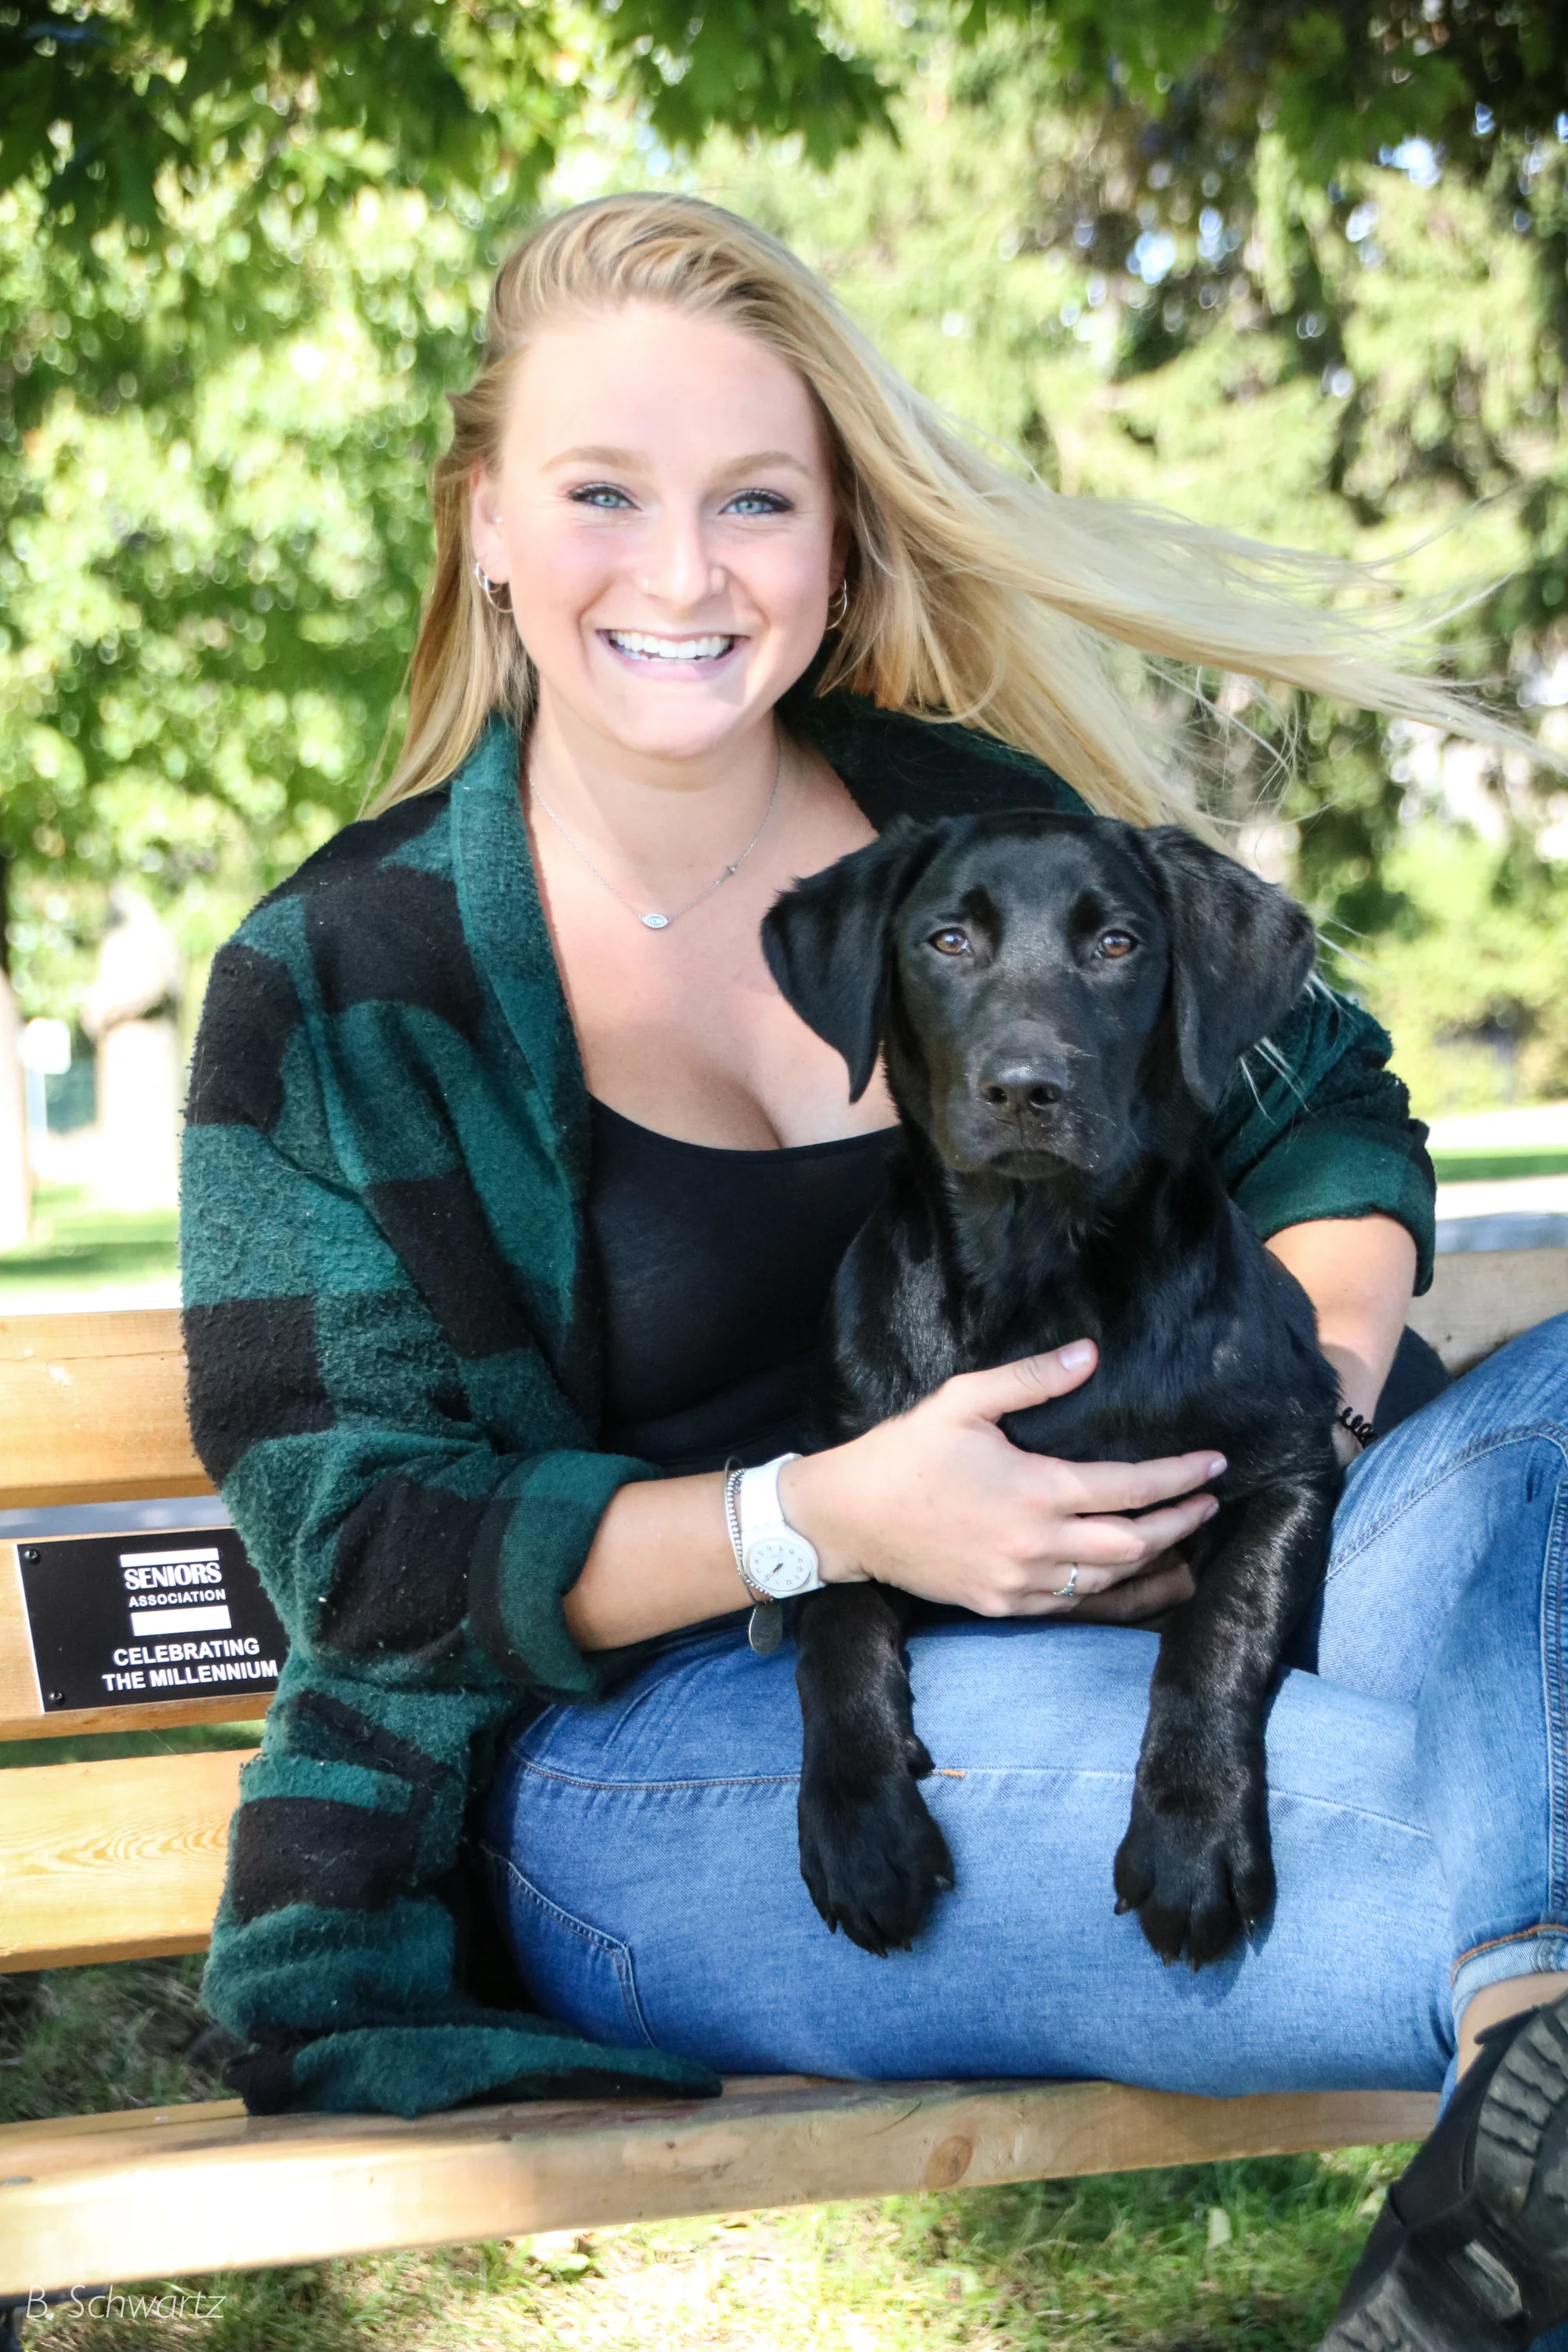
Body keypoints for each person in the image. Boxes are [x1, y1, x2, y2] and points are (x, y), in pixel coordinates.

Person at [180, 194, 1568, 2350]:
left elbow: (1324, 1101)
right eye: (603, 493)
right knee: (1440, 1836)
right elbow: (357, 1549)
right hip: (681, 1744)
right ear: (485, 529)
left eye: (754, 498)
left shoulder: (967, 821)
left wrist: (1299, 1392)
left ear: (836, 546)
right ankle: (1530, 2066)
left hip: (1204, 1573)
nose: (682, 570)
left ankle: (1520, 2178)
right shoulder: (342, 985)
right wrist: (821, 1519)